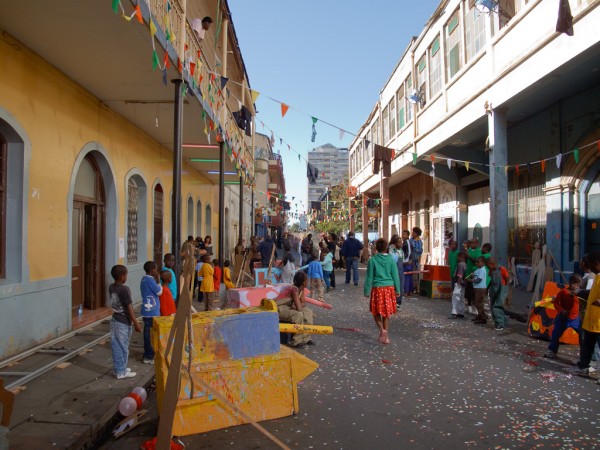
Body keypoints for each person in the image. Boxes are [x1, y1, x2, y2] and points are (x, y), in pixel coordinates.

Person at [364, 238, 401, 344]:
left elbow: (369, 277)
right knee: (386, 313)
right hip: (389, 288)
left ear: (376, 248)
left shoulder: (373, 260)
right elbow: (395, 276)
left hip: (377, 289)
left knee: (375, 311)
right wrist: (398, 289)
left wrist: (367, 291)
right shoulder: (391, 260)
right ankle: (386, 337)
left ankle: (381, 330)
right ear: (386, 248)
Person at [109, 265, 141, 379]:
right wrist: (136, 322)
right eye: (126, 274)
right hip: (123, 322)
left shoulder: (112, 287)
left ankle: (120, 368)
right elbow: (129, 308)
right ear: (122, 276)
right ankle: (120, 372)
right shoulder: (124, 289)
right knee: (122, 347)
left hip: (115, 320)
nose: (127, 276)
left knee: (118, 345)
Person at [542, 274, 582, 358]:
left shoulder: (580, 294)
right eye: (573, 283)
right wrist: (561, 310)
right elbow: (556, 302)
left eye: (577, 284)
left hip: (575, 319)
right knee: (555, 334)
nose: (575, 285)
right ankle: (552, 351)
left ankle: (584, 356)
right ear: (570, 283)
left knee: (582, 336)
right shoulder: (563, 291)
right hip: (562, 318)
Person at [276, 271, 315, 349]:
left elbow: (303, 302)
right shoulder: (294, 290)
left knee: (308, 312)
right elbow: (299, 308)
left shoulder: (302, 289)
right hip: (280, 307)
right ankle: (297, 341)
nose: (308, 281)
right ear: (302, 282)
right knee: (298, 315)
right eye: (306, 280)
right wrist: (298, 305)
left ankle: (306, 338)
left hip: (289, 306)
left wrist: (298, 305)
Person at [140, 261, 162, 364]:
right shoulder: (151, 280)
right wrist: (158, 282)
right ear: (153, 270)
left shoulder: (143, 279)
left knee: (147, 333)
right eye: (156, 269)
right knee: (150, 335)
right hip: (152, 311)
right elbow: (159, 292)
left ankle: (148, 355)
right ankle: (149, 356)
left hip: (146, 311)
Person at [487, 257, 509, 331]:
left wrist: (505, 287)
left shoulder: (502, 269)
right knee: (494, 306)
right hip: (494, 289)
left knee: (496, 307)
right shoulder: (492, 270)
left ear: (492, 264)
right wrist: (487, 288)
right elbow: (491, 279)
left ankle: (500, 324)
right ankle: (503, 322)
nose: (488, 268)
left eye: (488, 266)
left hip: (501, 290)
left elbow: (507, 278)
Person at [467, 256, 488, 325]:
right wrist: (473, 275)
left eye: (479, 262)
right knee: (477, 303)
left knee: (479, 303)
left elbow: (478, 280)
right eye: (476, 262)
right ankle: (480, 316)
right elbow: (475, 276)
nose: (477, 264)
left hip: (480, 289)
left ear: (483, 263)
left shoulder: (482, 270)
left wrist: (471, 280)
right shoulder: (478, 269)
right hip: (477, 288)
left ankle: (483, 318)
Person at [465, 238, 482, 315]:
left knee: (474, 291)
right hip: (468, 272)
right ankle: (469, 306)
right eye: (471, 243)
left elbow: (476, 261)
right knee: (468, 290)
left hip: (475, 273)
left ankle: (475, 307)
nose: (472, 245)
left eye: (473, 243)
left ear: (477, 243)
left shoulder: (479, 251)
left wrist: (468, 256)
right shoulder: (468, 250)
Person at [388, 235, 405, 306]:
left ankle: (398, 301)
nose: (401, 244)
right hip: (393, 270)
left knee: (400, 286)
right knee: (393, 285)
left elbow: (403, 260)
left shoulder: (401, 251)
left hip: (400, 270)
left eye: (401, 242)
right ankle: (392, 301)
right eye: (399, 242)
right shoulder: (391, 250)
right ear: (395, 243)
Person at [449, 252, 467, 319]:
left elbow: (460, 274)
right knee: (461, 298)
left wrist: (459, 281)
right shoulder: (465, 264)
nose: (457, 258)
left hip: (459, 283)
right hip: (463, 284)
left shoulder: (460, 264)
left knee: (455, 298)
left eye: (458, 257)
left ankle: (454, 312)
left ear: (461, 257)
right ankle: (461, 312)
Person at [409, 227, 423, 294]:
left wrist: (413, 246)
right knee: (411, 274)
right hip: (410, 259)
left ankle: (416, 288)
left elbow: (420, 250)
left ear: (417, 234)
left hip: (416, 260)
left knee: (415, 274)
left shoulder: (418, 241)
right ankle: (411, 287)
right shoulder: (411, 239)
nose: (412, 233)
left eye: (413, 232)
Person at [401, 230, 413, 294]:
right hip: (406, 262)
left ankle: (407, 291)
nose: (403, 235)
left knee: (407, 277)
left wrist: (406, 261)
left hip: (407, 262)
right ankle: (408, 291)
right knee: (407, 277)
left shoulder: (407, 242)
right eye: (402, 234)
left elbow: (409, 252)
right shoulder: (405, 242)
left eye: (405, 234)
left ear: (408, 235)